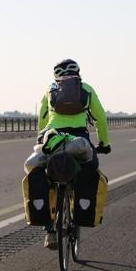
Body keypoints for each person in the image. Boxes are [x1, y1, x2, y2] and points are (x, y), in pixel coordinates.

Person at [37, 58, 111, 249]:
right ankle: (81, 210)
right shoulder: (86, 88)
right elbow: (100, 118)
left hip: (52, 139)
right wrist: (104, 143)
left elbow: (42, 120)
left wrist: (41, 140)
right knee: (91, 168)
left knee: (44, 177)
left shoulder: (50, 89)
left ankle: (49, 230)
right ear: (78, 73)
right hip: (78, 138)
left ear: (56, 75)